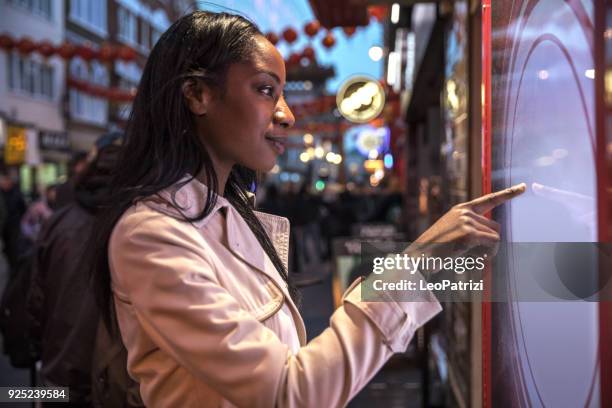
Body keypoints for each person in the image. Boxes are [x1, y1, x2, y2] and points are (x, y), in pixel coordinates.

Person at [86, 11, 525, 407]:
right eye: (264, 90)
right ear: (198, 94)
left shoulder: (231, 215)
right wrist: (415, 263)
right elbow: (287, 392)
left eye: (283, 93)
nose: (287, 115)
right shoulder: (152, 234)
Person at [27, 133, 142, 406]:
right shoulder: (143, 226)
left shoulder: (58, 221)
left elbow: (35, 300)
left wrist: (37, 348)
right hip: (115, 385)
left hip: (58, 376)